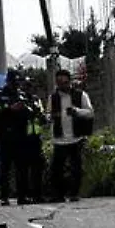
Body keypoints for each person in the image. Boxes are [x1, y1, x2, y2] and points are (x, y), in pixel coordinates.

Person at [49, 69, 94, 202]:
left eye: (64, 82)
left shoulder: (81, 95)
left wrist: (77, 111)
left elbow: (90, 113)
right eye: (59, 83)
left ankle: (74, 193)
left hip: (76, 137)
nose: (62, 85)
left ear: (69, 81)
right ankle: (58, 195)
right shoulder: (53, 97)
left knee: (76, 168)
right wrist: (50, 116)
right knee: (57, 169)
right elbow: (47, 113)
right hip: (59, 138)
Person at [0, 69, 30, 206]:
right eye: (14, 82)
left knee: (22, 168)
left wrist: (24, 109)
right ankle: (4, 196)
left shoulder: (22, 95)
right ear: (8, 81)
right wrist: (10, 109)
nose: (16, 85)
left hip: (20, 136)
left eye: (18, 82)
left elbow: (30, 112)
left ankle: (22, 196)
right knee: (5, 168)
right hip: (5, 136)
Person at [19, 77, 49, 203]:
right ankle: (23, 195)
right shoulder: (19, 100)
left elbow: (43, 118)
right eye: (26, 86)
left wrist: (38, 113)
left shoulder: (36, 100)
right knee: (23, 169)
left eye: (30, 86)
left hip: (35, 138)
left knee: (37, 167)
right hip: (23, 138)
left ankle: (37, 194)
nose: (29, 89)